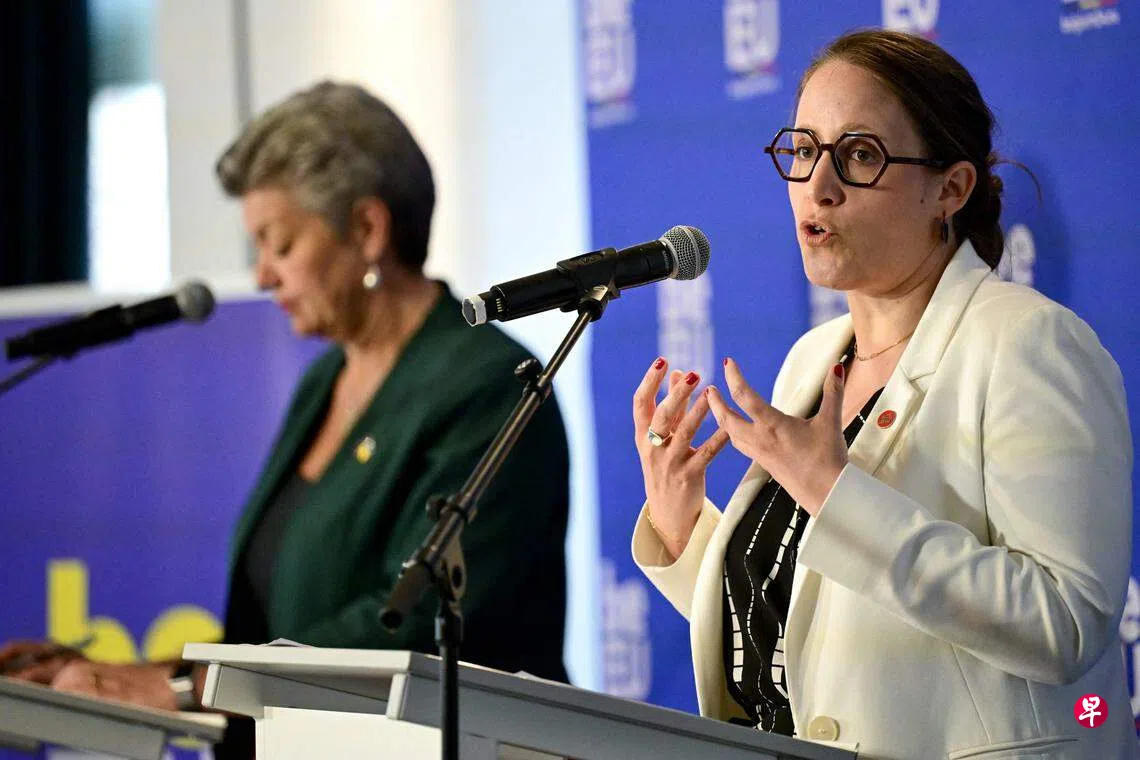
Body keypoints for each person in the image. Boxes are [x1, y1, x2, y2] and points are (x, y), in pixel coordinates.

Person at [0, 81, 570, 756]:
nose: (263, 276)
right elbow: (285, 630)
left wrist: (181, 687)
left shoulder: (488, 384)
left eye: (279, 244)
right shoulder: (325, 381)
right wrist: (129, 678)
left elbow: (415, 623)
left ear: (367, 230)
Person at [630, 30, 1134, 759]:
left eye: (861, 155)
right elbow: (819, 629)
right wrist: (684, 529)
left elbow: (1065, 625)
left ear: (950, 189)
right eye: (804, 150)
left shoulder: (1027, 343)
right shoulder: (814, 360)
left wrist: (835, 493)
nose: (818, 185)